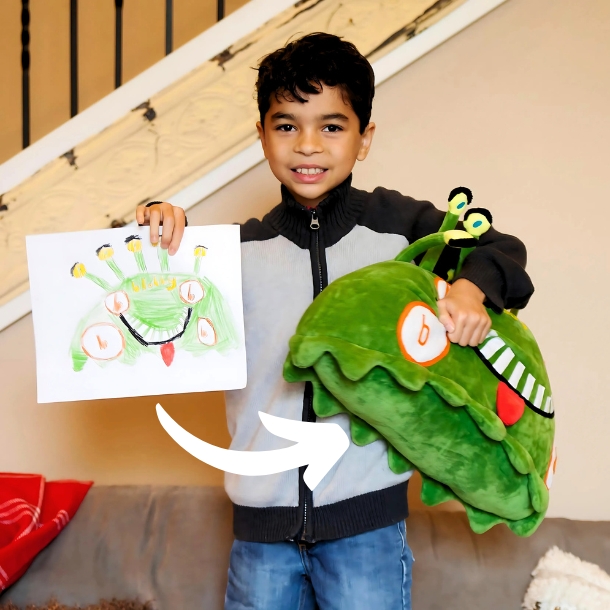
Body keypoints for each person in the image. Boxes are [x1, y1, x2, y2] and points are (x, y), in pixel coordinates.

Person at [136, 32, 533, 610]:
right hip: (261, 531)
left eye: (331, 125)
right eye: (287, 125)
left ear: (364, 138)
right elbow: (130, 298)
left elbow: (502, 248)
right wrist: (155, 225)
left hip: (365, 528)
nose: (308, 146)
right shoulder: (229, 254)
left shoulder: (401, 229)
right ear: (261, 135)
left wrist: (471, 288)